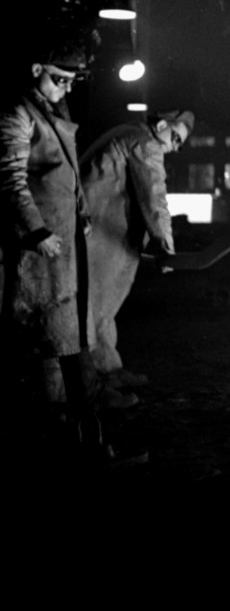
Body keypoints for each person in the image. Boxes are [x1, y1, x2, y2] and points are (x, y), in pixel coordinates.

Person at [0, 39, 101, 461]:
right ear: (36, 68)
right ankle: (43, 436)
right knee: (44, 339)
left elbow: (69, 175)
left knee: (71, 338)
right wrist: (37, 231)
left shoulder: (55, 113)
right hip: (41, 252)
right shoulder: (19, 115)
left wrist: (81, 213)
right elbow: (11, 179)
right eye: (58, 79)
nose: (65, 88)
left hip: (65, 246)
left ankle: (82, 435)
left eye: (71, 82)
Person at [81, 109, 194, 392]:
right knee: (97, 305)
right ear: (162, 125)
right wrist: (166, 246)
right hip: (102, 231)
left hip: (101, 228)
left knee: (101, 306)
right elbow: (154, 195)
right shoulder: (145, 143)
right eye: (176, 137)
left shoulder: (127, 132)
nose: (176, 147)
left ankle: (109, 369)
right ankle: (97, 380)